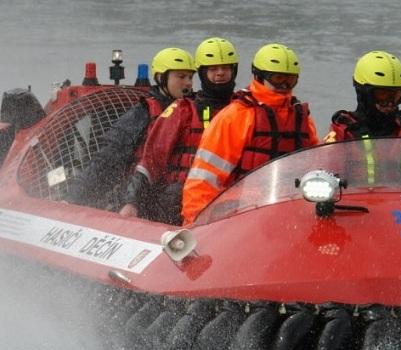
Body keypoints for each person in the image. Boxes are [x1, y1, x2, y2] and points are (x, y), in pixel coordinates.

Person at [181, 42, 319, 225]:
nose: (284, 85)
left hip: (288, 209)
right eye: (278, 79)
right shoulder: (236, 116)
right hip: (240, 213)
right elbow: (204, 178)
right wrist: (194, 224)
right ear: (259, 76)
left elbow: (317, 164)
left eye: (290, 80)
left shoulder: (301, 117)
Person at [118, 37, 239, 224]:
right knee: (173, 196)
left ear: (234, 70)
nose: (220, 74)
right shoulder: (183, 110)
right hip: (178, 201)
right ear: (203, 72)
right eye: (213, 69)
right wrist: (132, 202)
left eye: (225, 69)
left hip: (232, 200)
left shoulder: (244, 110)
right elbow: (152, 160)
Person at [68, 47, 196, 209]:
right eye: (181, 76)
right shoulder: (142, 113)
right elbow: (108, 160)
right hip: (140, 198)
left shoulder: (195, 113)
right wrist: (73, 197)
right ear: (160, 78)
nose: (188, 83)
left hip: (177, 198)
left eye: (190, 77)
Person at [324, 51, 401, 143]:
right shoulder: (343, 134)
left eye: (395, 96)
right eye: (382, 94)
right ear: (363, 92)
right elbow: (326, 165)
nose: (390, 103)